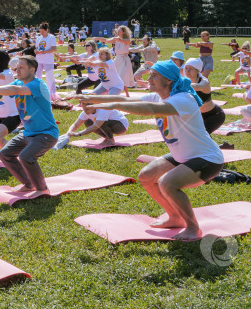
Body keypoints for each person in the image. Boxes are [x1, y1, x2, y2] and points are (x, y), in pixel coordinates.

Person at [77, 60, 223, 241]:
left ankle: (193, 229)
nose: (149, 78)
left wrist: (111, 106)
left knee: (167, 183)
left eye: (154, 75)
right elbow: (124, 99)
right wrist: (92, 99)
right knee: (147, 175)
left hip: (207, 158)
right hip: (183, 156)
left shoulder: (183, 99)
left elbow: (150, 109)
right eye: (150, 74)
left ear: (168, 80)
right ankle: (175, 217)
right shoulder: (160, 96)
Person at [0, 56, 59, 192]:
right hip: (29, 133)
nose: (17, 70)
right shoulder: (19, 83)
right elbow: (9, 88)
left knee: (26, 157)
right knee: (5, 154)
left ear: (32, 70)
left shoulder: (38, 84)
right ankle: (29, 184)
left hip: (46, 133)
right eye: (16, 68)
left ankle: (42, 189)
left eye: (21, 68)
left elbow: (14, 90)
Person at [184, 58, 226, 134]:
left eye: (191, 69)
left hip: (214, 115)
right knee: (195, 136)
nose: (187, 71)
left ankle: (219, 146)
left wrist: (181, 84)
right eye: (186, 68)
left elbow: (197, 87)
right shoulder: (185, 80)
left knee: (201, 135)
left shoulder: (204, 81)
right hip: (198, 116)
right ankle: (220, 146)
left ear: (198, 70)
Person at [64, 105, 128, 147]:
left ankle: (111, 140)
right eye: (84, 108)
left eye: (87, 109)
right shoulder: (85, 113)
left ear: (94, 106)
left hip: (121, 126)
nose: (85, 111)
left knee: (101, 122)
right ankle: (107, 137)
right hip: (108, 125)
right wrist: (68, 133)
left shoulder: (103, 109)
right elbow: (76, 124)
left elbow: (95, 126)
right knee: (87, 122)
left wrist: (78, 134)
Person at [95, 25, 133, 91]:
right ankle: (115, 90)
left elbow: (123, 41)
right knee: (115, 76)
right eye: (117, 31)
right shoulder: (116, 39)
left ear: (123, 32)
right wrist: (97, 38)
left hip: (124, 59)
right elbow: (106, 40)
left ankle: (124, 93)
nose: (117, 32)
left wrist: (116, 39)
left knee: (122, 76)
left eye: (119, 31)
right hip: (117, 59)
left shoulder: (127, 40)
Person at [34, 22, 58, 100]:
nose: (41, 33)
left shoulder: (51, 37)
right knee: (37, 76)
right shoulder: (38, 38)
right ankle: (37, 92)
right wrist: (36, 51)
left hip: (48, 60)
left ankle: (52, 95)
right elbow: (37, 48)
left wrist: (42, 51)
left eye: (43, 31)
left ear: (46, 30)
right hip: (39, 60)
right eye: (40, 31)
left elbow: (54, 49)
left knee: (50, 77)